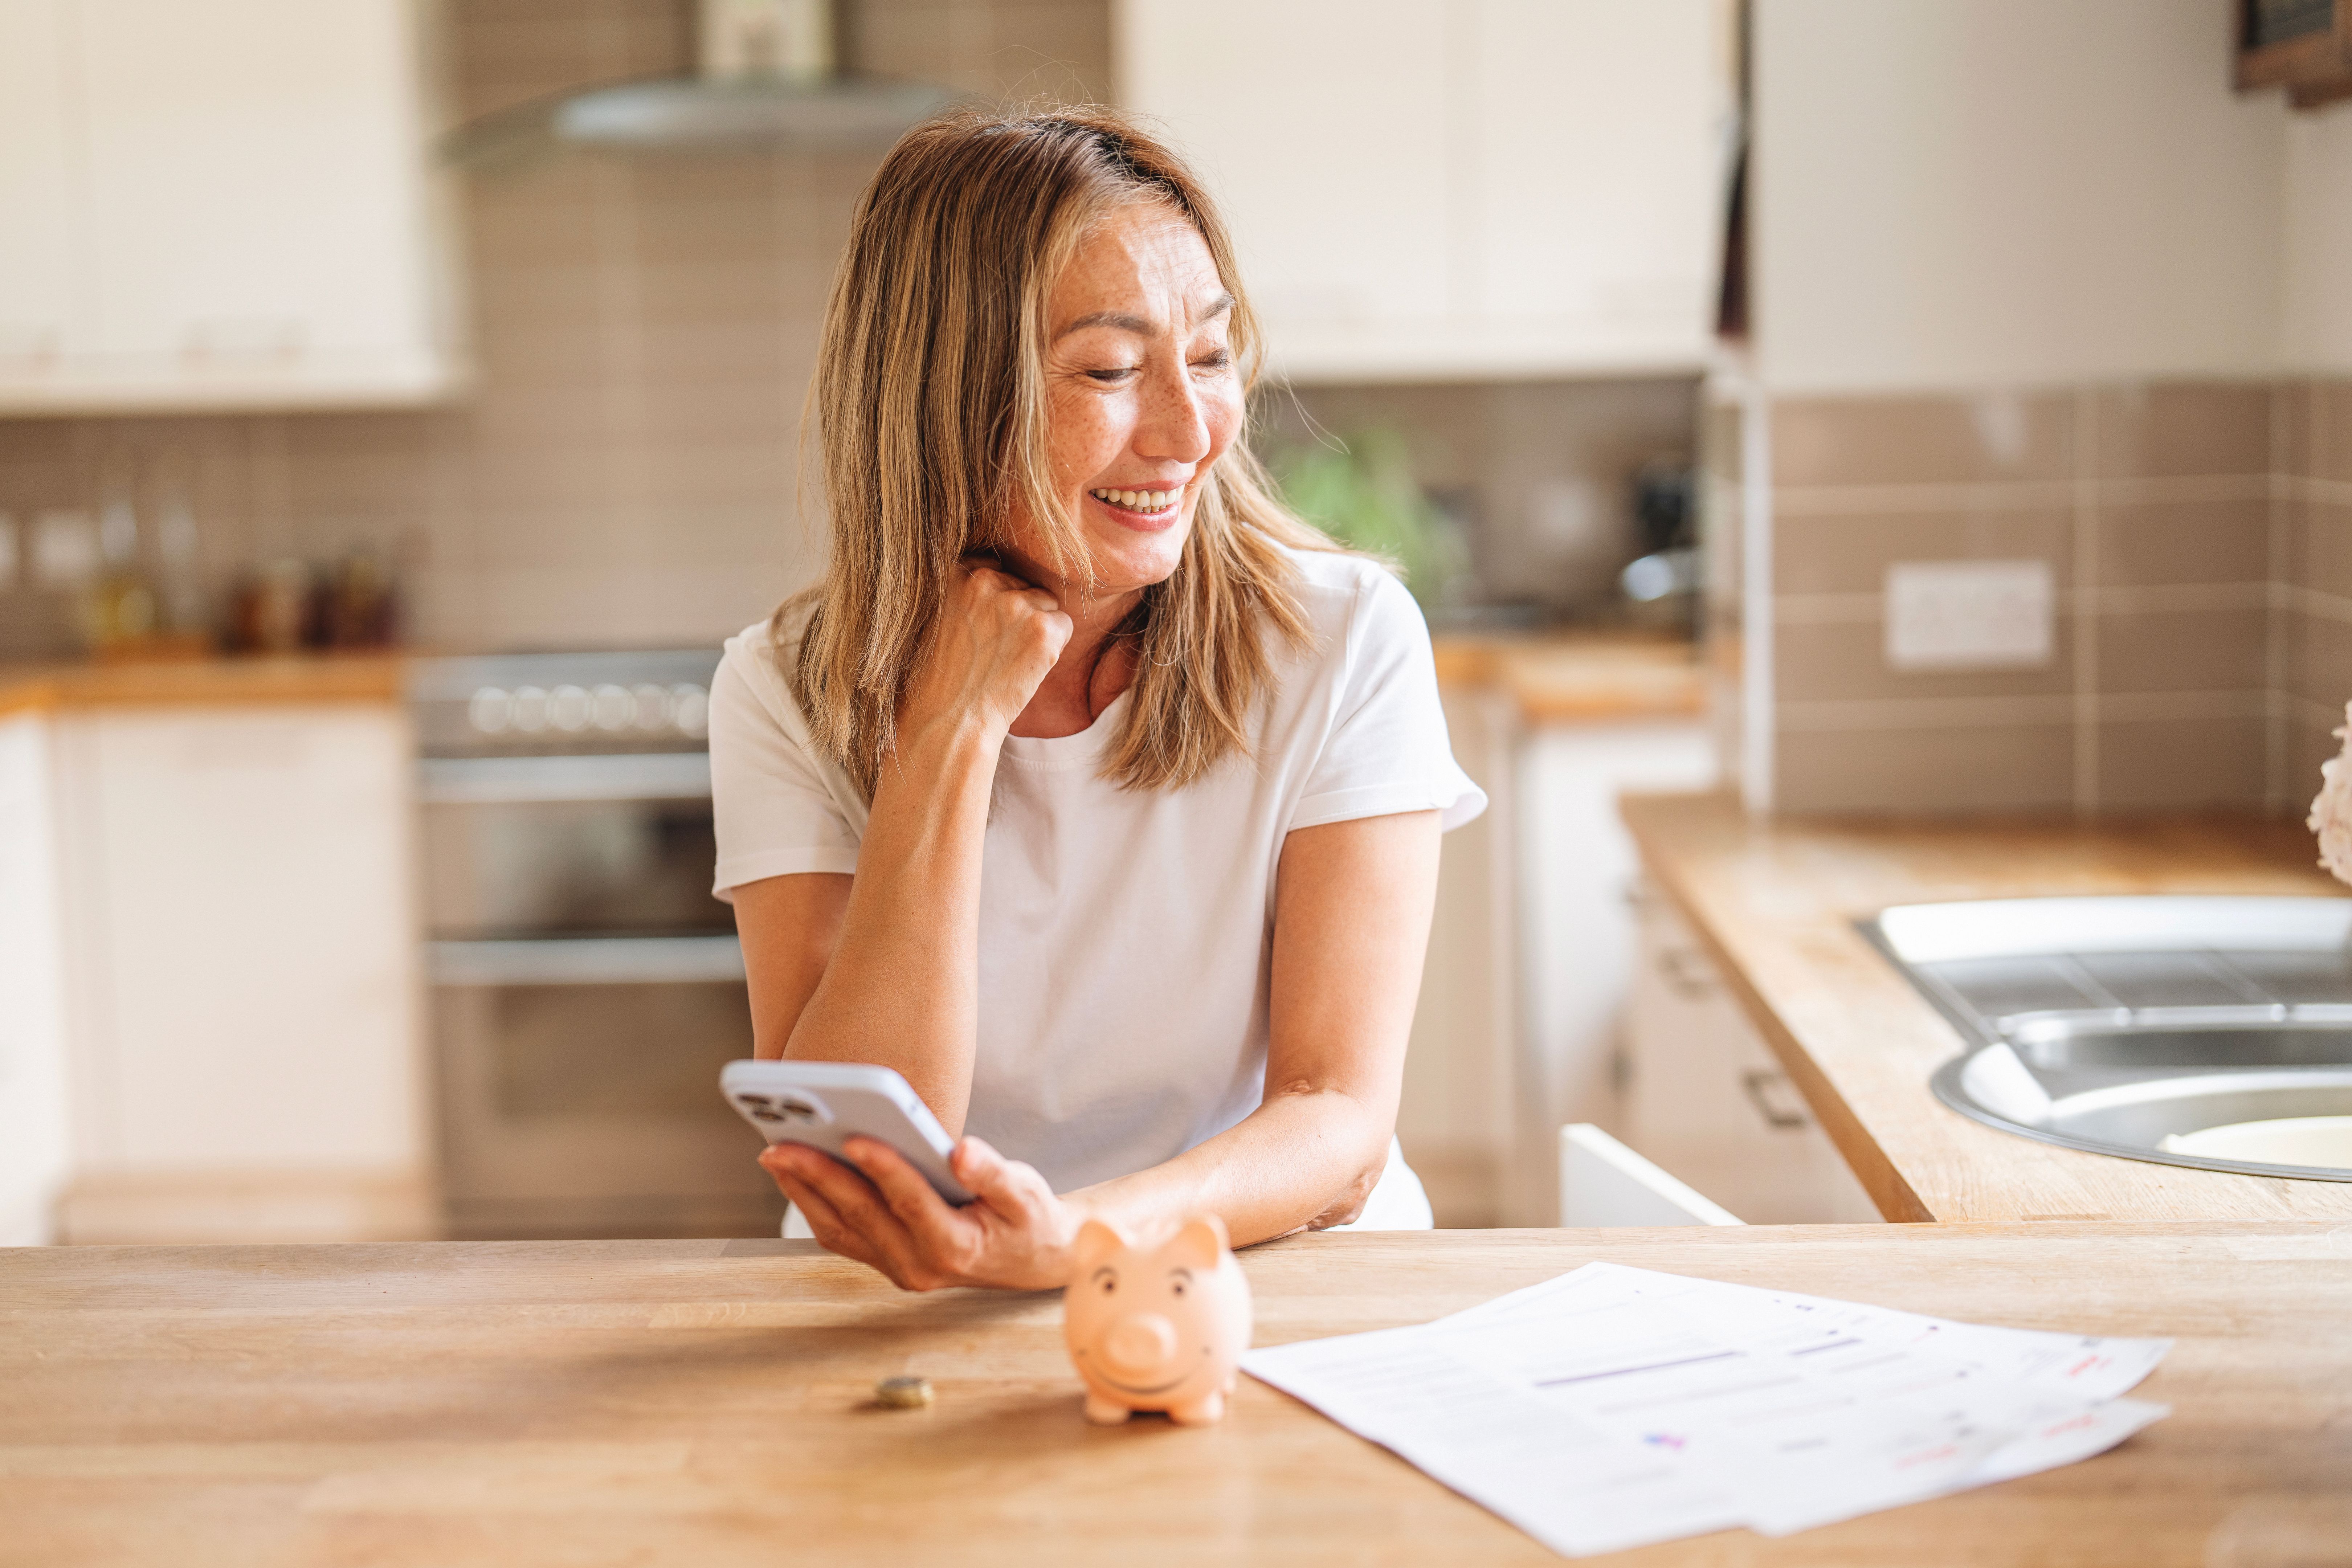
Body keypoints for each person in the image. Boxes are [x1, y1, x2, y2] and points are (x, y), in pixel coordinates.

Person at [710, 106, 1485, 1292]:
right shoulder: (783, 686)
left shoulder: (1344, 643)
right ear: (948, 400)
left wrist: (1073, 1241)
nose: (1191, 430)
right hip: (918, 1296)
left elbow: (1338, 1123)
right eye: (1114, 372)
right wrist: (949, 733)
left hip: (1272, 1278)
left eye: (1213, 356)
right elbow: (860, 1151)